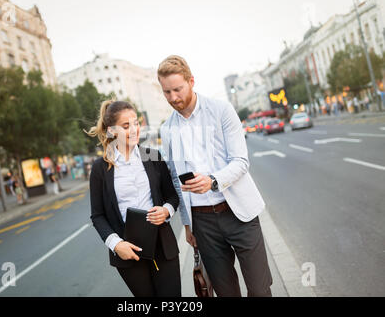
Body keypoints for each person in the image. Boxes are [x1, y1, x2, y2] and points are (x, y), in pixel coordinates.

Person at [157, 55, 272, 297]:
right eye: (167, 92)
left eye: (177, 89)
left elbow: (241, 161)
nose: (173, 98)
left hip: (239, 212)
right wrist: (188, 224)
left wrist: (213, 181)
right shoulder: (167, 130)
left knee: (260, 290)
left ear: (191, 81)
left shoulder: (221, 110)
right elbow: (177, 182)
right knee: (225, 293)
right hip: (203, 222)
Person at [87, 99, 181, 297]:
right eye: (126, 126)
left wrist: (166, 210)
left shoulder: (152, 156)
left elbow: (172, 196)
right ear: (112, 131)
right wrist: (116, 244)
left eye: (136, 124)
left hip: (163, 245)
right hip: (127, 251)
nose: (134, 130)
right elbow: (97, 215)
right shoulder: (100, 168)